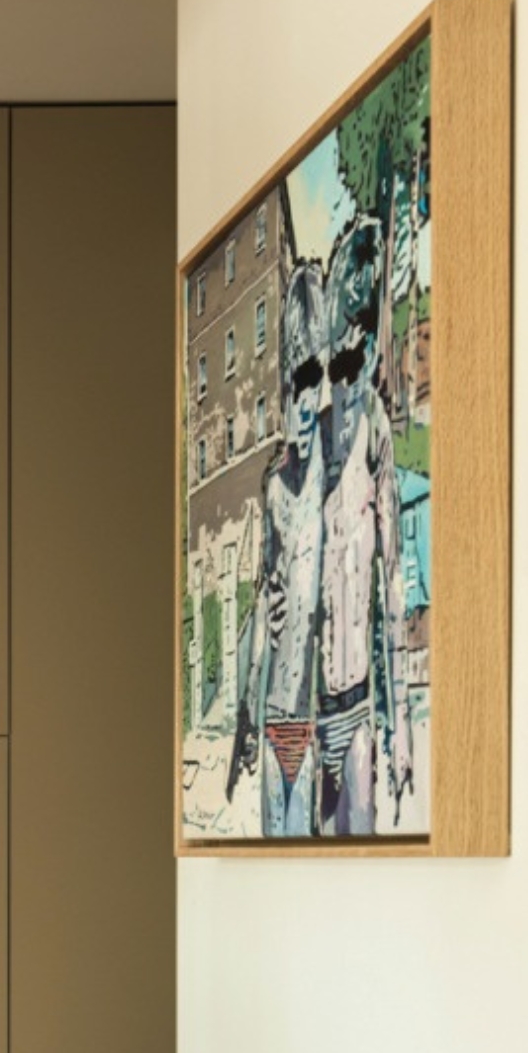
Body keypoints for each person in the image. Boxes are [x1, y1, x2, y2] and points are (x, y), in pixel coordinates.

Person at [316, 217, 412, 834]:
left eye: (356, 362)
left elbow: (395, 584)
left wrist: (399, 726)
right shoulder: (315, 437)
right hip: (308, 710)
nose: (345, 383)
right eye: (336, 367)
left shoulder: (376, 438)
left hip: (356, 705)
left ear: (372, 354)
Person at [232, 260, 328, 836]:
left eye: (314, 380)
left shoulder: (331, 475)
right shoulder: (274, 484)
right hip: (275, 718)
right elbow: (265, 589)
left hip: (317, 716)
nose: (304, 400)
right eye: (296, 384)